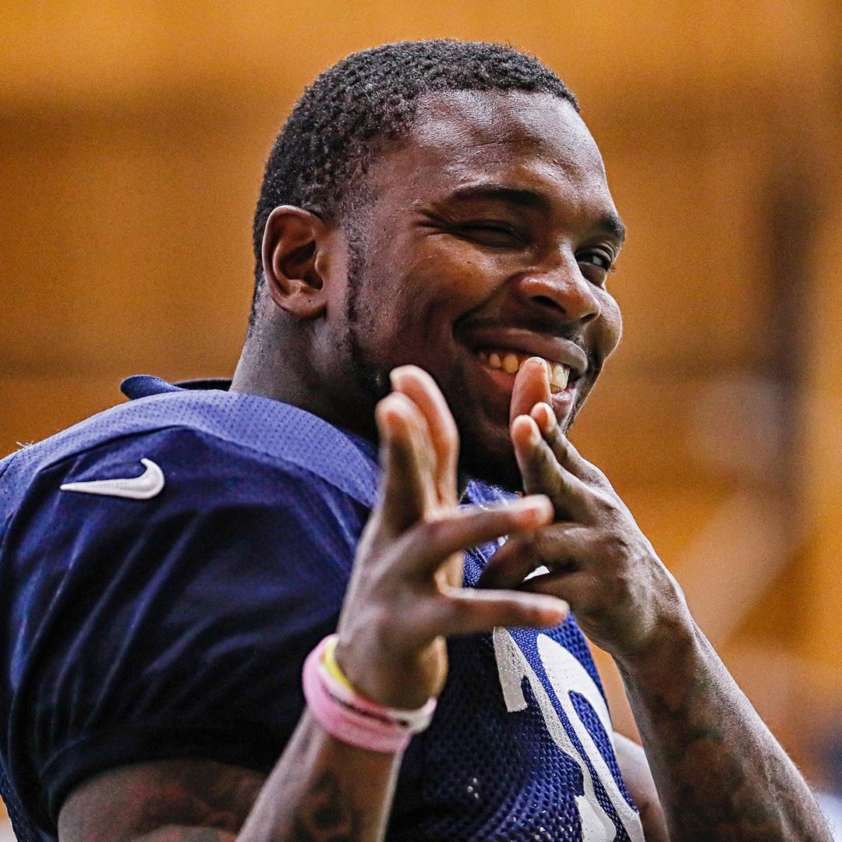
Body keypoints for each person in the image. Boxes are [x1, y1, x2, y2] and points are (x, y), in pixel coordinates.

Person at [0, 40, 831, 842]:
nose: (577, 293)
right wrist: (363, 705)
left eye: (596, 259)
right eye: (496, 230)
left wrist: (664, 638)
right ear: (302, 263)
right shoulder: (203, 489)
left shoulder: (479, 531)